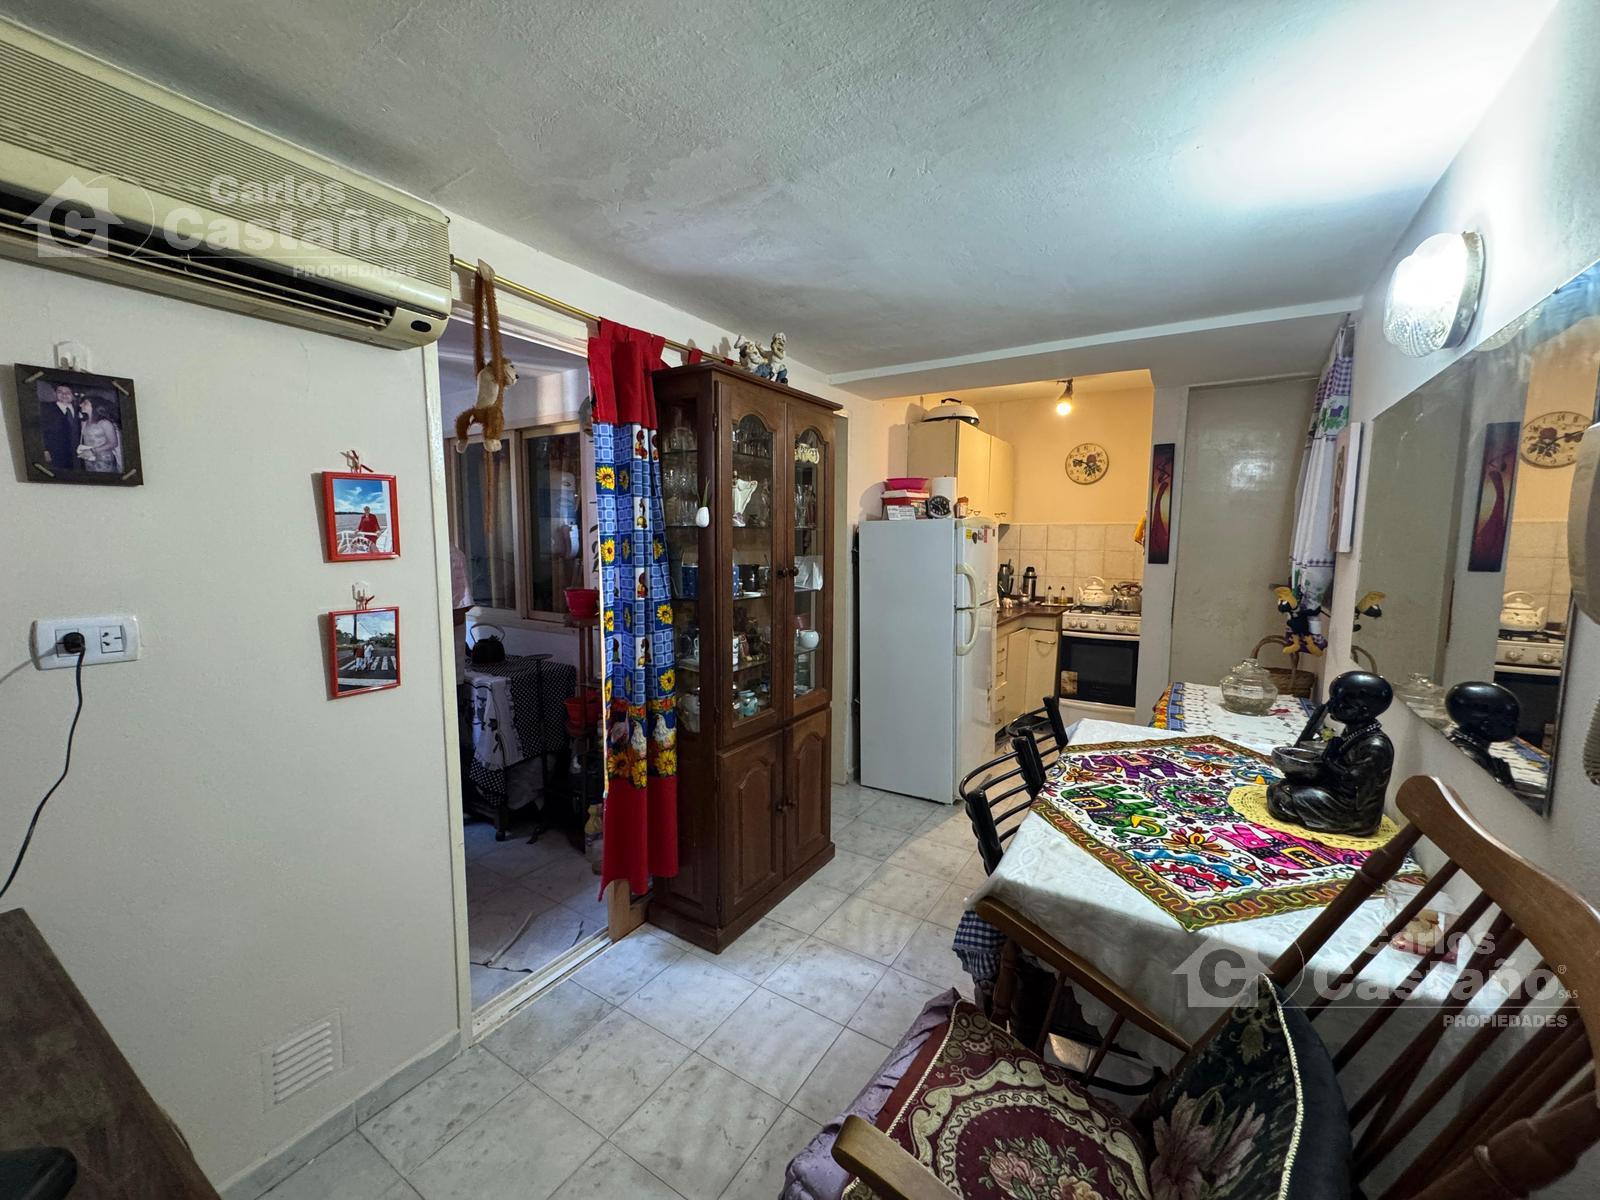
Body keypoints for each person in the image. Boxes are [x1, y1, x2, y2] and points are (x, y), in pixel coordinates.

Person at [38, 383, 81, 470]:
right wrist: (45, 450)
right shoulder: (46, 409)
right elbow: (40, 430)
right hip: (57, 452)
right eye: (60, 392)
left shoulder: (79, 409)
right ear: (55, 394)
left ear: (73, 395)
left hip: (78, 453)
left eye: (68, 392)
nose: (64, 395)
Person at [76, 400, 121, 473]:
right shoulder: (84, 422)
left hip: (104, 460)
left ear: (94, 406)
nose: (80, 405)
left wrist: (93, 451)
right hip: (89, 459)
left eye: (85, 403)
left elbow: (113, 443)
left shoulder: (104, 422)